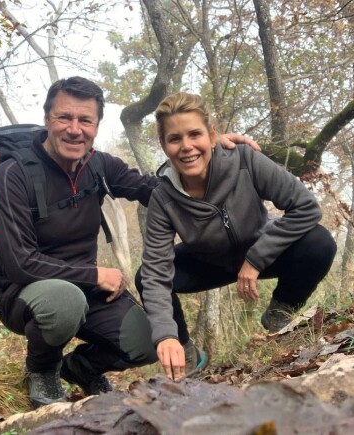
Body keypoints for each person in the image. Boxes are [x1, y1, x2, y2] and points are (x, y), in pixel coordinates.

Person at [0, 77, 259, 408]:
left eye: (85, 120)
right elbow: (20, 262)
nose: (75, 129)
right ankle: (42, 370)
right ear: (47, 120)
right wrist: (96, 276)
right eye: (64, 118)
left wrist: (207, 156)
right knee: (64, 300)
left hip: (84, 288)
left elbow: (158, 190)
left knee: (148, 339)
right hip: (23, 292)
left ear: (96, 126)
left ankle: (82, 368)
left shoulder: (99, 166)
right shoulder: (13, 174)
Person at [135, 92, 337, 381]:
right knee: (145, 276)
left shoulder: (245, 160)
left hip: (260, 249)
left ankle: (282, 309)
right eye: (175, 139)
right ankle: (187, 353)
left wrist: (255, 259)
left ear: (212, 134)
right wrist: (165, 335)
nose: (187, 147)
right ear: (163, 145)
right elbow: (156, 273)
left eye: (195, 134)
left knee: (319, 242)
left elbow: (305, 207)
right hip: (207, 262)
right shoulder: (162, 198)